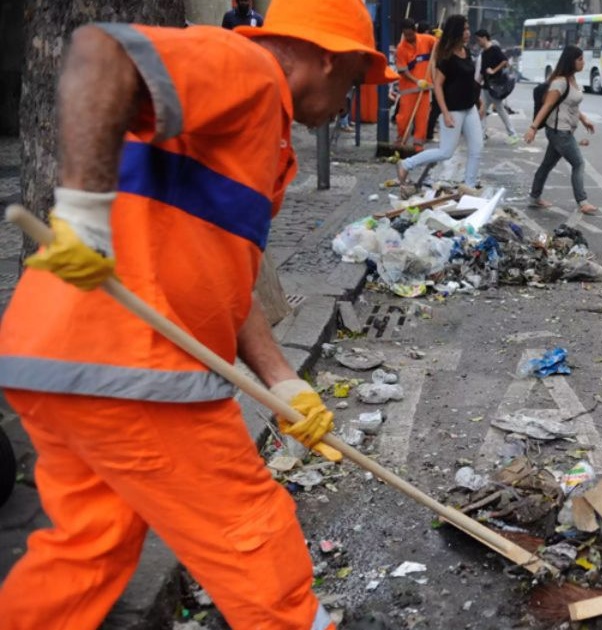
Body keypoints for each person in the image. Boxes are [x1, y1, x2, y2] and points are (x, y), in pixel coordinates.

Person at [0, 0, 398, 627]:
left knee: (88, 548)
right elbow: (101, 50)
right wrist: (80, 216)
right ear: (326, 58)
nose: (351, 98)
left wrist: (282, 381)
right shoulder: (250, 66)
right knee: (250, 531)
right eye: (353, 79)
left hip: (54, 354)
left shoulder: (260, 134)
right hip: (134, 362)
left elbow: (222, 288)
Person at [396, 15, 482, 191]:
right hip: (453, 110)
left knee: (477, 148)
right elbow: (438, 86)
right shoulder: (447, 57)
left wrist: (478, 99)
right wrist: (446, 114)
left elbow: (468, 80)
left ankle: (469, 185)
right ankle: (406, 164)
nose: (468, 33)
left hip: (469, 108)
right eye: (464, 29)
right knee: (445, 152)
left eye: (468, 28)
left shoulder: (466, 52)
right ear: (456, 31)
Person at [523, 46, 598, 215]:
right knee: (578, 163)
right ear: (571, 61)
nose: (583, 62)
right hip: (559, 132)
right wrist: (533, 128)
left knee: (547, 165)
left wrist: (584, 119)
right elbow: (548, 105)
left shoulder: (571, 79)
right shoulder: (560, 82)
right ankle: (582, 201)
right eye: (580, 59)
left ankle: (534, 197)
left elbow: (570, 105)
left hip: (563, 131)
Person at [394, 18, 437, 150]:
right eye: (406, 35)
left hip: (424, 89)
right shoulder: (401, 48)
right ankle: (401, 140)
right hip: (408, 89)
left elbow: (438, 46)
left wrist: (439, 37)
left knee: (422, 118)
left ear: (415, 31)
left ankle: (418, 145)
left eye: (411, 35)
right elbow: (403, 70)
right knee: (404, 118)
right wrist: (417, 80)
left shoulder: (426, 40)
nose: (409, 37)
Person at [474, 29, 518, 143]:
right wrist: (476, 85)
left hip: (495, 86)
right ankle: (482, 134)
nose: (478, 42)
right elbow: (483, 72)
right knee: (483, 110)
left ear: (484, 38)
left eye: (479, 40)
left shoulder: (494, 49)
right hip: (486, 86)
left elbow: (504, 61)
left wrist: (494, 70)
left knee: (500, 110)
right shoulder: (483, 53)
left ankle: (513, 133)